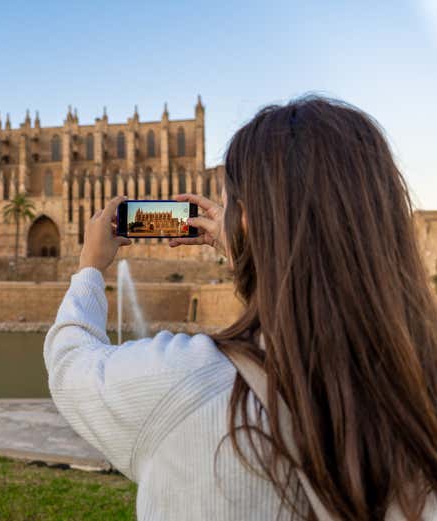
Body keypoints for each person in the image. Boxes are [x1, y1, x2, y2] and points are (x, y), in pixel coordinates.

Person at [44, 96, 437, 520]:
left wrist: (89, 266)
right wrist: (253, 250)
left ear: (245, 222)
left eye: (230, 204)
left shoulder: (186, 383)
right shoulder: (420, 392)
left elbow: (71, 364)